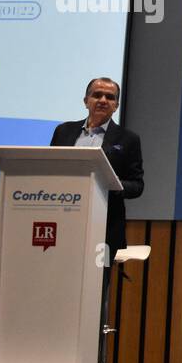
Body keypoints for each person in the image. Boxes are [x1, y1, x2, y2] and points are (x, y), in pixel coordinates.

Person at [50, 77, 144, 265]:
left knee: (97, 288)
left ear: (116, 105)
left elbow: (137, 186)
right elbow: (50, 171)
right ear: (86, 101)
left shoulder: (128, 139)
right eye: (97, 95)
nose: (103, 100)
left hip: (104, 228)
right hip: (60, 223)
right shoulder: (63, 131)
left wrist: (114, 182)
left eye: (109, 97)